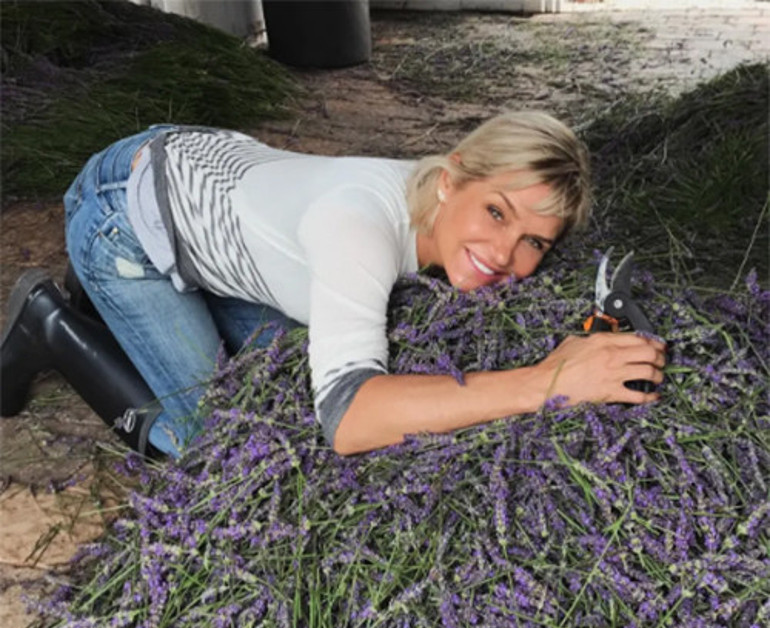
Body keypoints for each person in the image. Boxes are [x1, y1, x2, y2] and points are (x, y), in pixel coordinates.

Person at [0, 112, 666, 458]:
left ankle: (107, 305)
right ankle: (49, 324)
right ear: (450, 179)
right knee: (217, 453)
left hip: (207, 180)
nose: (503, 253)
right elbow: (347, 421)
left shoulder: (433, 212)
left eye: (535, 243)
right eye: (497, 212)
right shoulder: (360, 227)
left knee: (280, 380)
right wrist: (547, 382)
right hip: (126, 207)